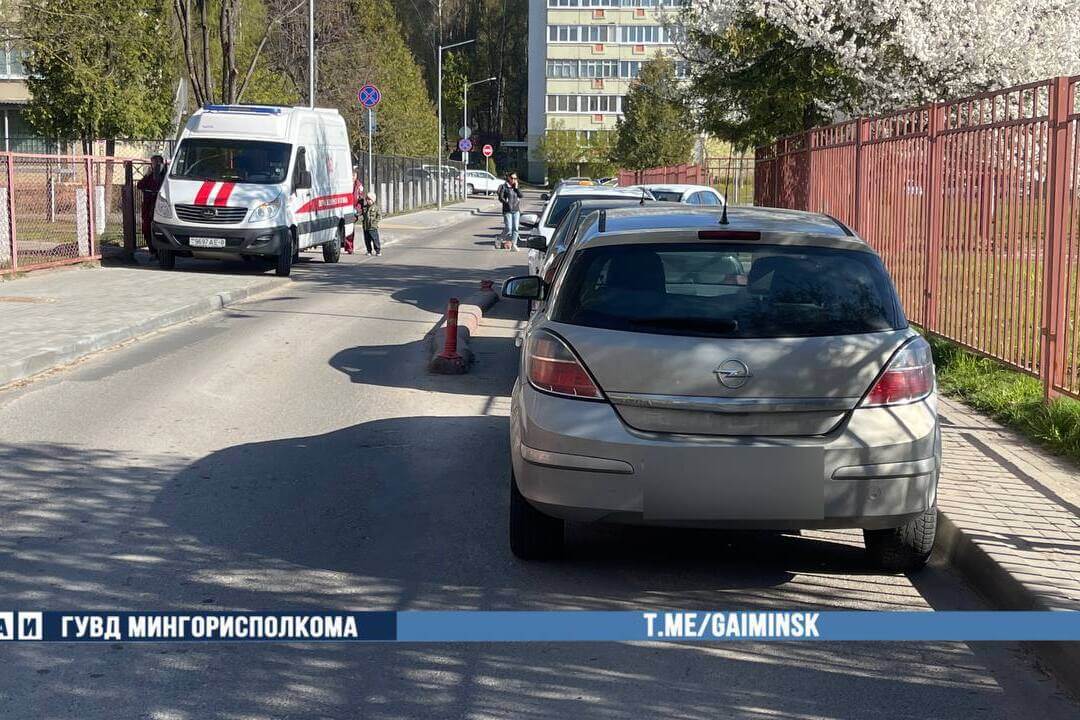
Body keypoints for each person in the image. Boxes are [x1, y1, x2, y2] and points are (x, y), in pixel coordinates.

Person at [136, 155, 166, 257]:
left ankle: (162, 251)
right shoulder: (149, 176)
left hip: (160, 206)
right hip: (148, 206)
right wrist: (147, 175)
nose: (155, 166)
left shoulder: (166, 176)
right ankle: (153, 251)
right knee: (146, 228)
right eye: (153, 163)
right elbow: (139, 185)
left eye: (157, 163)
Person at [497, 171, 523, 249]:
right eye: (512, 178)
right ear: (508, 178)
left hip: (516, 210)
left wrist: (517, 188)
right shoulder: (504, 187)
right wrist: (506, 202)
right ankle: (499, 239)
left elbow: (521, 195)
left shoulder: (515, 187)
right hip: (507, 210)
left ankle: (513, 245)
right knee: (508, 228)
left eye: (515, 178)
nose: (513, 180)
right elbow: (500, 197)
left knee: (516, 229)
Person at [345, 168, 364, 254]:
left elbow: (361, 199)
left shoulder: (358, 186)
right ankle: (346, 245)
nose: (352, 177)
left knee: (350, 229)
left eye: (354, 175)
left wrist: (357, 210)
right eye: (351, 175)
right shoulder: (346, 184)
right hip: (345, 208)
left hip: (353, 210)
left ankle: (350, 247)